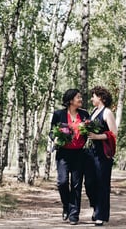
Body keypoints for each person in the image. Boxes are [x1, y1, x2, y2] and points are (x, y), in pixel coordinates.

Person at [49, 88, 90, 225]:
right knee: (62, 182)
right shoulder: (58, 114)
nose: (81, 99)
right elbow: (51, 132)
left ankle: (74, 215)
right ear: (71, 100)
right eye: (78, 97)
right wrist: (55, 138)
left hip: (79, 153)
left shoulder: (84, 114)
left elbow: (88, 131)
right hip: (63, 153)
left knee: (76, 184)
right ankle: (66, 205)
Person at [87, 86, 117, 226]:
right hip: (91, 152)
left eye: (94, 96)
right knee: (89, 183)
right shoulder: (93, 111)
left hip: (103, 154)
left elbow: (113, 133)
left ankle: (100, 215)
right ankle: (95, 207)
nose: (92, 98)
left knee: (102, 184)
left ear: (101, 98)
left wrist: (97, 136)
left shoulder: (107, 113)